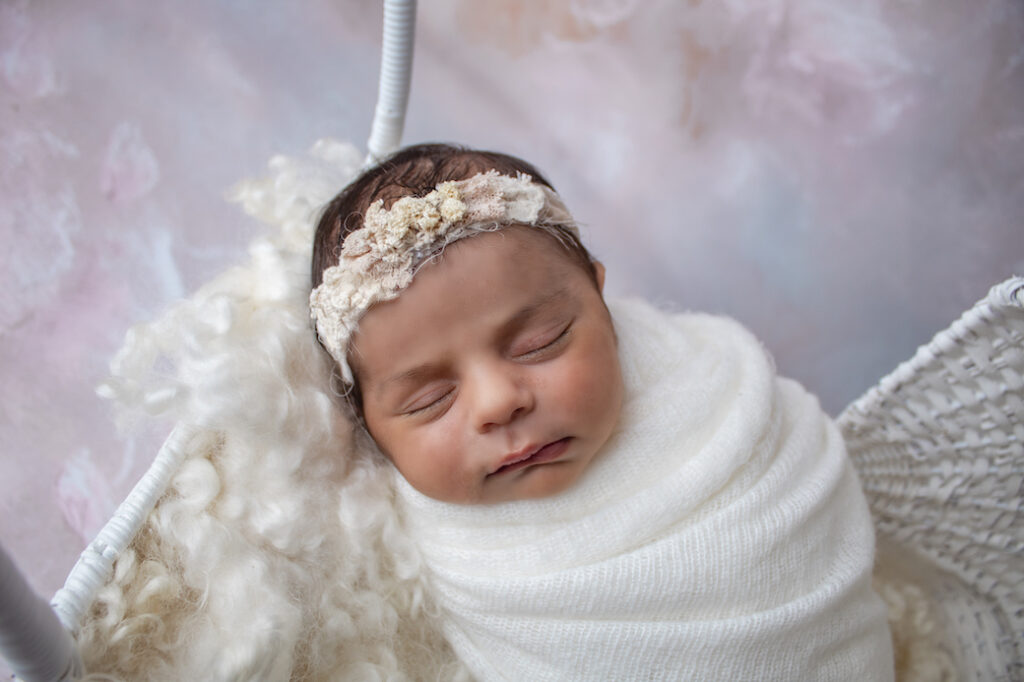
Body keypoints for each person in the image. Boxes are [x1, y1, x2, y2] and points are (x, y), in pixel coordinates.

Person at [309, 142, 896, 681]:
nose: (499, 402)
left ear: (601, 296)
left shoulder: (717, 393)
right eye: (428, 400)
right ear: (366, 425)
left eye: (541, 340)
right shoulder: (389, 555)